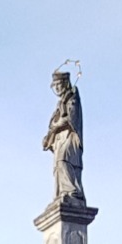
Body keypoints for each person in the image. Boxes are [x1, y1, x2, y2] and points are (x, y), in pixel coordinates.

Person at [43, 70, 85, 205]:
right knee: (57, 166)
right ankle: (62, 193)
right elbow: (54, 122)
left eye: (59, 84)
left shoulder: (72, 96)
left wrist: (57, 124)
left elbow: (70, 118)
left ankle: (73, 192)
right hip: (60, 138)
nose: (57, 88)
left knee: (64, 160)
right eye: (54, 85)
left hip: (70, 137)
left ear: (65, 83)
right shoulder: (60, 103)